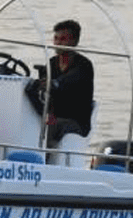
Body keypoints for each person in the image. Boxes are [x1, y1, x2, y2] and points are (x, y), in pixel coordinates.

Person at [28, 19, 95, 152]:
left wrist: (54, 83)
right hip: (54, 118)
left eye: (63, 39)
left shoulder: (83, 65)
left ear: (74, 41)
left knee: (54, 126)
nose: (58, 43)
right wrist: (45, 113)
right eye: (56, 38)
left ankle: (44, 158)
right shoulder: (52, 63)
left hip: (76, 122)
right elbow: (42, 91)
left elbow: (69, 80)